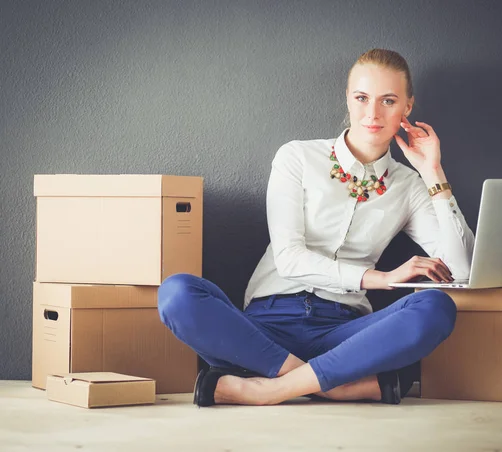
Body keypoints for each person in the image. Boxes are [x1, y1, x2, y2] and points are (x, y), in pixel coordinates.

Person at [158, 48, 475, 407]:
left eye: (388, 100)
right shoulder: (297, 157)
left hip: (344, 335)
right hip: (264, 331)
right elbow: (290, 259)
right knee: (177, 293)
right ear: (348, 99)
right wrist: (382, 278)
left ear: (407, 108)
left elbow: (461, 270)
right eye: (362, 98)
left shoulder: (408, 184)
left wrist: (433, 172)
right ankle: (334, 385)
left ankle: (271, 388)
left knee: (436, 307)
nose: (373, 113)